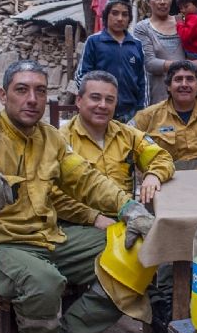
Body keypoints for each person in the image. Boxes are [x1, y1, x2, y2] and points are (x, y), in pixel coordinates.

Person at [0, 60, 156, 333]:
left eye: (40, 90)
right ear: (3, 95)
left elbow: (85, 179)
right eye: (21, 90)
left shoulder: (51, 138)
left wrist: (127, 206)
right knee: (44, 283)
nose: (32, 99)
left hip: (48, 239)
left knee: (142, 251)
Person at [51, 70, 175, 225]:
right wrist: (93, 217)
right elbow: (51, 193)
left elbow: (161, 157)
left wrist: (154, 174)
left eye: (109, 100)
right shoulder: (60, 140)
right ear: (79, 101)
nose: (102, 105)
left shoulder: (127, 135)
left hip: (129, 216)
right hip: (80, 223)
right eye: (95, 98)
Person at [132, 60, 197, 170]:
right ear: (168, 86)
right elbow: (124, 136)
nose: (184, 84)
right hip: (167, 183)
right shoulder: (148, 116)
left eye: (190, 79)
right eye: (178, 79)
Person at [133, 0, 197, 105]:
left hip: (193, 94)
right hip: (161, 96)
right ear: (148, 1)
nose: (162, 2)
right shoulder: (143, 28)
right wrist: (189, 65)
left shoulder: (185, 21)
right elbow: (150, 63)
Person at [76, 0, 146, 122]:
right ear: (106, 15)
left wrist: (141, 110)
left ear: (129, 18)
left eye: (125, 14)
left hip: (130, 113)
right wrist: (94, 98)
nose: (120, 18)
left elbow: (142, 81)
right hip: (100, 111)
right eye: (115, 13)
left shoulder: (136, 45)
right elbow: (82, 76)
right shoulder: (94, 42)